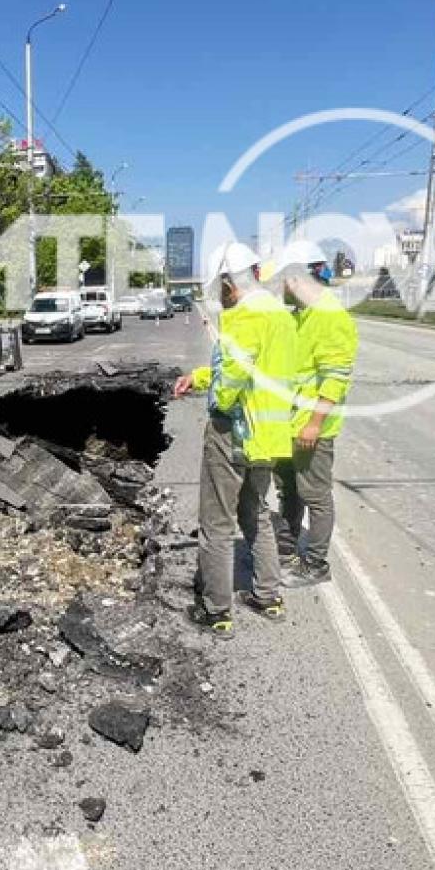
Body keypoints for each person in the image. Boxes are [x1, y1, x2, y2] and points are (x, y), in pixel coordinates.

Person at [171, 241, 299, 639]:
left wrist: (217, 398)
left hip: (236, 432)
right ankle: (268, 596)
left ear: (230, 282)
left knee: (216, 524)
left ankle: (216, 611)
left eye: (221, 286)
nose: (221, 295)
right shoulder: (281, 317)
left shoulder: (244, 317)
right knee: (257, 514)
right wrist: (200, 375)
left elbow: (234, 380)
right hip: (269, 436)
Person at [269, 260, 359, 586]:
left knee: (315, 496)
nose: (282, 293)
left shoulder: (330, 316)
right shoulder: (303, 315)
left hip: (311, 428)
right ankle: (288, 550)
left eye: (283, 285)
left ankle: (316, 563)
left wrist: (314, 423)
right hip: (290, 424)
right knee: (289, 493)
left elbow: (335, 377)